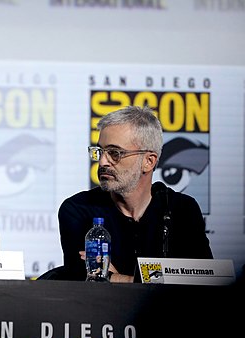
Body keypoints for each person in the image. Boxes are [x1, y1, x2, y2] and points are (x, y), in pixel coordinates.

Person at [56, 105, 212, 283]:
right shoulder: (78, 208)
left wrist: (121, 279)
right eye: (100, 151)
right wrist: (161, 279)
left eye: (115, 153)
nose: (103, 162)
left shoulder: (182, 209)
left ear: (148, 161)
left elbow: (204, 281)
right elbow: (83, 279)